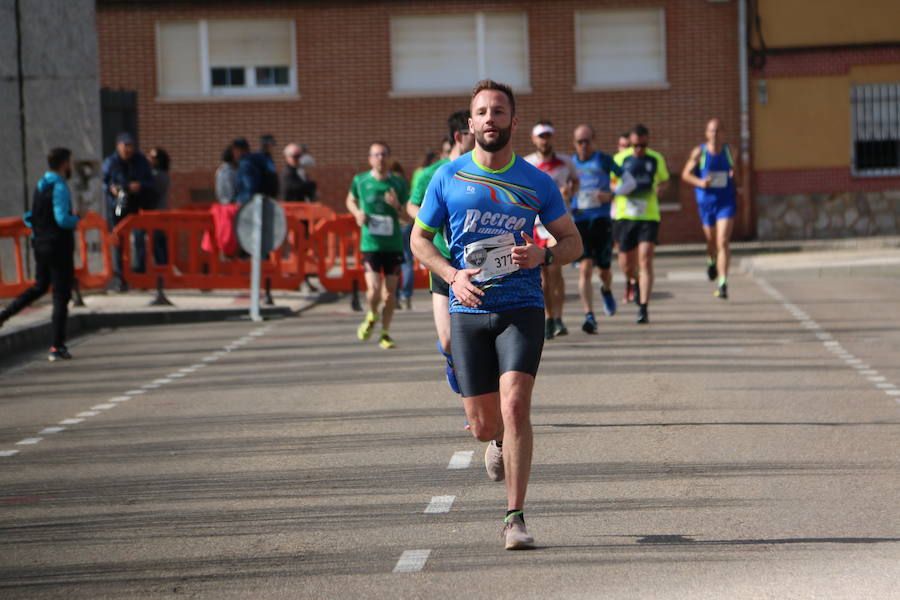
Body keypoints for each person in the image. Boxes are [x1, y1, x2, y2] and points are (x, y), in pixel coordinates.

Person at [411, 80, 582, 550]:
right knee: (487, 424)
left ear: (513, 121)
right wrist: (450, 275)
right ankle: (497, 441)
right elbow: (419, 240)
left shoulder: (537, 182)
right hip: (467, 306)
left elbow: (573, 241)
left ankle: (515, 518)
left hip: (522, 305)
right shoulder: (447, 177)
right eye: (482, 112)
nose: (490, 118)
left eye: (499, 111)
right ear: (471, 124)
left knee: (515, 406)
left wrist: (542, 257)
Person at [407, 109, 475, 396]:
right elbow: (411, 206)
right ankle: (452, 363)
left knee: (474, 343)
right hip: (442, 263)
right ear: (460, 136)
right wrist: (428, 220)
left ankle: (477, 402)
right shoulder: (431, 175)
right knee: (448, 342)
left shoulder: (480, 172)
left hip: (473, 264)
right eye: (474, 133)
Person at [0, 148, 80, 361]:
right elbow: (62, 219)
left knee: (39, 286)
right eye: (70, 163)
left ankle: (4, 315)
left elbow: (31, 217)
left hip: (40, 244)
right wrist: (78, 219)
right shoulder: (60, 187)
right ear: (64, 164)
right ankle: (57, 346)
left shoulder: (41, 185)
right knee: (60, 295)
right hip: (58, 245)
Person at [571, 124, 636, 334]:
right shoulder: (570, 164)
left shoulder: (604, 160)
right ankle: (589, 315)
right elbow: (559, 187)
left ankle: (606, 290)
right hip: (580, 221)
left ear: (594, 141)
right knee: (585, 268)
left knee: (604, 270)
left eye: (587, 141)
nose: (583, 145)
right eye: (579, 142)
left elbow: (630, 182)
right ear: (574, 143)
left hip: (601, 221)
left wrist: (612, 195)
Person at [346, 142, 409, 349]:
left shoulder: (399, 184)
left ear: (389, 158)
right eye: (376, 155)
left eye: (383, 154)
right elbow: (350, 200)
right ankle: (371, 313)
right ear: (370, 159)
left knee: (389, 294)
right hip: (371, 244)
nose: (380, 158)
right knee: (373, 291)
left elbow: (408, 217)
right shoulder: (361, 180)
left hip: (393, 245)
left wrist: (397, 206)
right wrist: (357, 214)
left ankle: (385, 332)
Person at [524, 121, 579, 340]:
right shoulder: (527, 164)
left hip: (558, 223)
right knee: (545, 275)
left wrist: (570, 193)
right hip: (537, 225)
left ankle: (558, 317)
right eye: (541, 136)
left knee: (555, 270)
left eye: (548, 136)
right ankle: (549, 317)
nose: (544, 140)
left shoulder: (566, 162)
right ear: (533, 138)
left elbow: (575, 181)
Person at [612, 124, 670, 324]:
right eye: (635, 145)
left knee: (645, 258)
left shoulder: (656, 158)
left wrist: (661, 188)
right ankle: (633, 281)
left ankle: (643, 307)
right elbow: (611, 182)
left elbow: (664, 180)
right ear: (630, 143)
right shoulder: (620, 159)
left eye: (643, 145)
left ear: (648, 142)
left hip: (648, 216)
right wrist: (618, 188)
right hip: (625, 216)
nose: (639, 149)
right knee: (626, 265)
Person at [681, 118, 737, 299]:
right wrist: (700, 182)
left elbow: (735, 172)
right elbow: (685, 174)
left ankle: (723, 284)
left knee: (723, 241)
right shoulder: (700, 152)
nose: (715, 134)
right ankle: (711, 260)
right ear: (706, 133)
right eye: (711, 131)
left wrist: (735, 179)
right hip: (706, 203)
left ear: (723, 133)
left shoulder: (731, 151)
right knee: (712, 241)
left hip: (725, 201)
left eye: (718, 131)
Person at [102, 132, 157, 290]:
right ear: (118, 146)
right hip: (120, 202)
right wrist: (112, 189)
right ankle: (121, 277)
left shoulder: (140, 161)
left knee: (140, 237)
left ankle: (140, 275)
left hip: (137, 202)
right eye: (125, 145)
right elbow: (104, 183)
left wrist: (140, 185)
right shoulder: (111, 162)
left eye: (131, 145)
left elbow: (150, 182)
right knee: (119, 238)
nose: (128, 149)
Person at [235, 136, 279, 203]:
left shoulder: (263, 158)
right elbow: (249, 185)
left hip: (260, 198)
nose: (271, 148)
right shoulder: (260, 159)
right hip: (253, 199)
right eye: (268, 145)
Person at [148, 147, 170, 266]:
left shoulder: (157, 175)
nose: (149, 159)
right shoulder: (159, 174)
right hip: (160, 212)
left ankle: (162, 270)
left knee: (158, 244)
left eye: (153, 157)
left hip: (157, 213)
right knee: (160, 243)